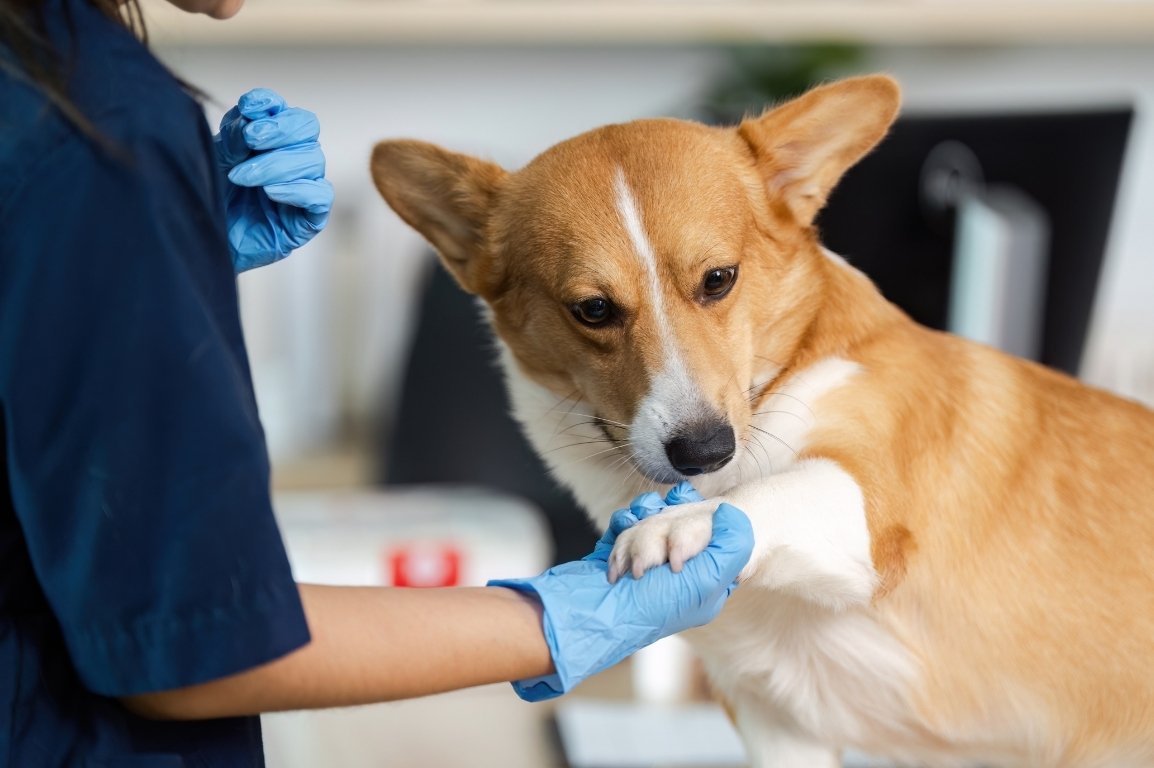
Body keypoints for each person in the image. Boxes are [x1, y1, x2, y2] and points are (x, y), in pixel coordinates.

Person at [0, 0, 755, 765]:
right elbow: (197, 648)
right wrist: (566, 616)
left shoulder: (44, 91)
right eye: (595, 309)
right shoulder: (96, 116)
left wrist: (136, 273)